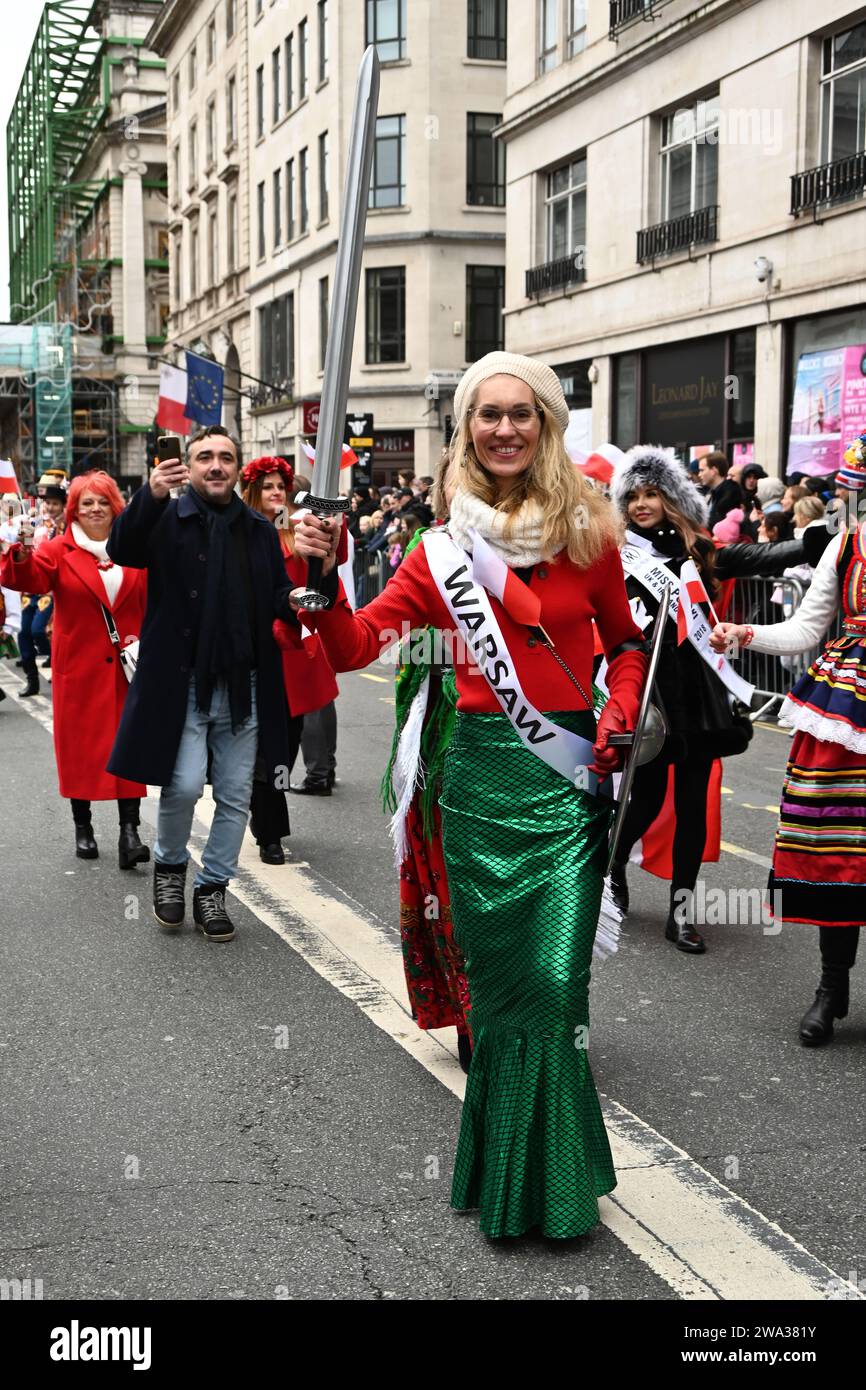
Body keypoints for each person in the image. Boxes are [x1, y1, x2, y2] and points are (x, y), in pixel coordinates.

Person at [293, 350, 647, 1240]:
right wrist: (323, 586)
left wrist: (621, 706)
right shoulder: (438, 551)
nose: (502, 429)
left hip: (567, 781)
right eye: (485, 415)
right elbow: (358, 646)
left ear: (548, 427)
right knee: (502, 999)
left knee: (558, 988)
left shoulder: (590, 534)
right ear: (466, 430)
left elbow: (627, 643)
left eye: (519, 414)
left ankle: (556, 1183)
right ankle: (521, 1178)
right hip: (480, 781)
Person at [609, 446, 808, 951]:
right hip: (650, 695)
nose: (641, 504)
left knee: (694, 804)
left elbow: (761, 556)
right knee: (647, 797)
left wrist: (817, 543)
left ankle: (681, 912)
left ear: (672, 498)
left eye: (651, 493)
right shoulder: (616, 556)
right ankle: (612, 871)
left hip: (697, 695)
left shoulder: (699, 552)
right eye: (632, 496)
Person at [105, 425, 297, 942]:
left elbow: (277, 594)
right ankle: (169, 872)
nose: (216, 466)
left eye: (226, 458)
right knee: (184, 784)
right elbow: (121, 548)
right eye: (205, 457)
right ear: (187, 466)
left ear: (237, 469)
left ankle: (213, 888)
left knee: (236, 794)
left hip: (245, 685)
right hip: (183, 682)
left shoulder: (258, 530)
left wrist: (296, 600)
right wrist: (151, 493)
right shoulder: (166, 517)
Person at [711, 431, 866, 1046]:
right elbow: (805, 627)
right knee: (838, 852)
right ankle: (832, 988)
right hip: (843, 713)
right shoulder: (846, 547)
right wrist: (744, 634)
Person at [0, 470, 149, 866]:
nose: (96, 508)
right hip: (79, 671)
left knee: (130, 748)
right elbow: (30, 579)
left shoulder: (135, 547)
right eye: (87, 503)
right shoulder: (58, 549)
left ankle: (129, 833)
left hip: (128, 670)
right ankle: (83, 826)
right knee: (79, 751)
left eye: (103, 501)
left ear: (116, 507)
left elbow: (155, 600)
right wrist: (20, 550)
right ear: (75, 510)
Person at [381, 453, 471, 1070]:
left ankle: (538, 1016)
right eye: (458, 476)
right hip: (447, 734)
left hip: (539, 743)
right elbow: (383, 635)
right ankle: (470, 1014)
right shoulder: (430, 549)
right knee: (449, 878)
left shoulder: (558, 542)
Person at [239, 455, 339, 855]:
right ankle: (271, 832)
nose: (277, 493)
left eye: (281, 486)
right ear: (252, 493)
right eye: (267, 487)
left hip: (297, 654)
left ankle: (262, 807)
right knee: (267, 746)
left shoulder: (299, 533)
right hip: (256, 654)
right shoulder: (242, 534)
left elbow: (327, 581)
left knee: (288, 745)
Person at [698, 451, 742, 530]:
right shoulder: (712, 493)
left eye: (702, 470)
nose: (699, 474)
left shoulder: (731, 494)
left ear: (714, 471)